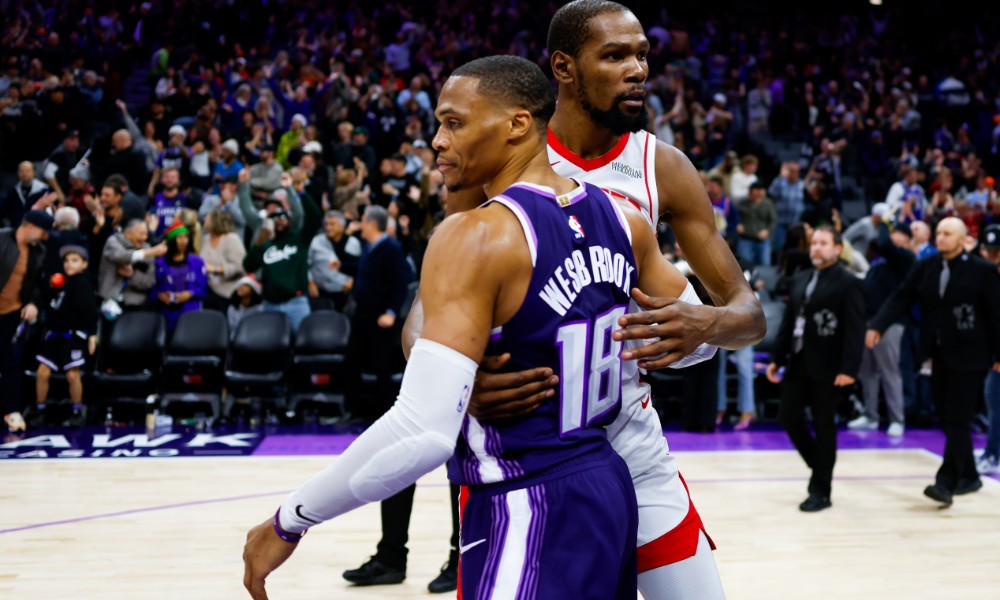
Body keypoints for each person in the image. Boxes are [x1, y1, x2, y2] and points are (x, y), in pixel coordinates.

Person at [243, 54, 696, 600]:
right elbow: (697, 342)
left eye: (453, 122)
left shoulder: (478, 235)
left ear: (518, 125)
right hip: (607, 486)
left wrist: (290, 519)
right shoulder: (622, 219)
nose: (436, 139)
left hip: (528, 499)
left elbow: (422, 431)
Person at [867, 217, 1000, 507]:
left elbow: (997, 313)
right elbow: (901, 297)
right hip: (937, 355)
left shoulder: (983, 271)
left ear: (963, 239)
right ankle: (971, 476)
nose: (941, 238)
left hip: (972, 355)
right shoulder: (925, 267)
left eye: (948, 233)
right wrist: (878, 325)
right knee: (948, 419)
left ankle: (945, 482)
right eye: (938, 232)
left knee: (958, 419)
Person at [766, 226, 865, 512]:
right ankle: (820, 466)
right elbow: (789, 323)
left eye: (823, 243)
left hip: (830, 366)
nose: (816, 248)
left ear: (837, 248)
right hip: (797, 360)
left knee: (824, 427)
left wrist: (849, 368)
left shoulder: (849, 283)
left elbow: (855, 330)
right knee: (788, 417)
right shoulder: (801, 278)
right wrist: (777, 357)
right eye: (814, 243)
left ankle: (820, 490)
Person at [848, 219, 915, 436]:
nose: (892, 236)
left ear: (906, 240)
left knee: (889, 370)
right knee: (866, 371)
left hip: (889, 324)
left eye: (897, 234)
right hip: (867, 321)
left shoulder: (905, 258)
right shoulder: (879, 262)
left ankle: (897, 418)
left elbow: (884, 242)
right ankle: (870, 415)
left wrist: (885, 221)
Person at [26, 245, 99, 428]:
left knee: (73, 374)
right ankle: (40, 409)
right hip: (54, 335)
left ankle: (77, 410)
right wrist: (51, 288)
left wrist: (92, 335)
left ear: (84, 264)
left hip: (72, 336)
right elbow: (51, 305)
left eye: (74, 260)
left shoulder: (84, 283)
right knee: (42, 372)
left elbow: (91, 312)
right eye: (66, 260)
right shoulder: (61, 282)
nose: (69, 264)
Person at [0, 211, 53, 432]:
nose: (43, 237)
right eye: (42, 231)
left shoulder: (38, 252)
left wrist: (32, 303)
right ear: (30, 226)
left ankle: (11, 411)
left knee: (12, 362)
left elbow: (36, 285)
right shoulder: (2, 239)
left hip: (12, 313)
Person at [150, 221, 208, 333]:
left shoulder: (197, 262)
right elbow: (152, 287)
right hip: (165, 316)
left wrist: (191, 293)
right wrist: (159, 295)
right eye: (179, 237)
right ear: (171, 241)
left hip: (191, 314)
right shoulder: (159, 263)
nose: (184, 241)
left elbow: (204, 288)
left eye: (186, 237)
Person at [976, 224, 1000, 475]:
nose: (992, 256)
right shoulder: (984, 276)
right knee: (992, 400)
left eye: (997, 252)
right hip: (989, 352)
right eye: (989, 251)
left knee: (995, 399)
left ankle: (993, 454)